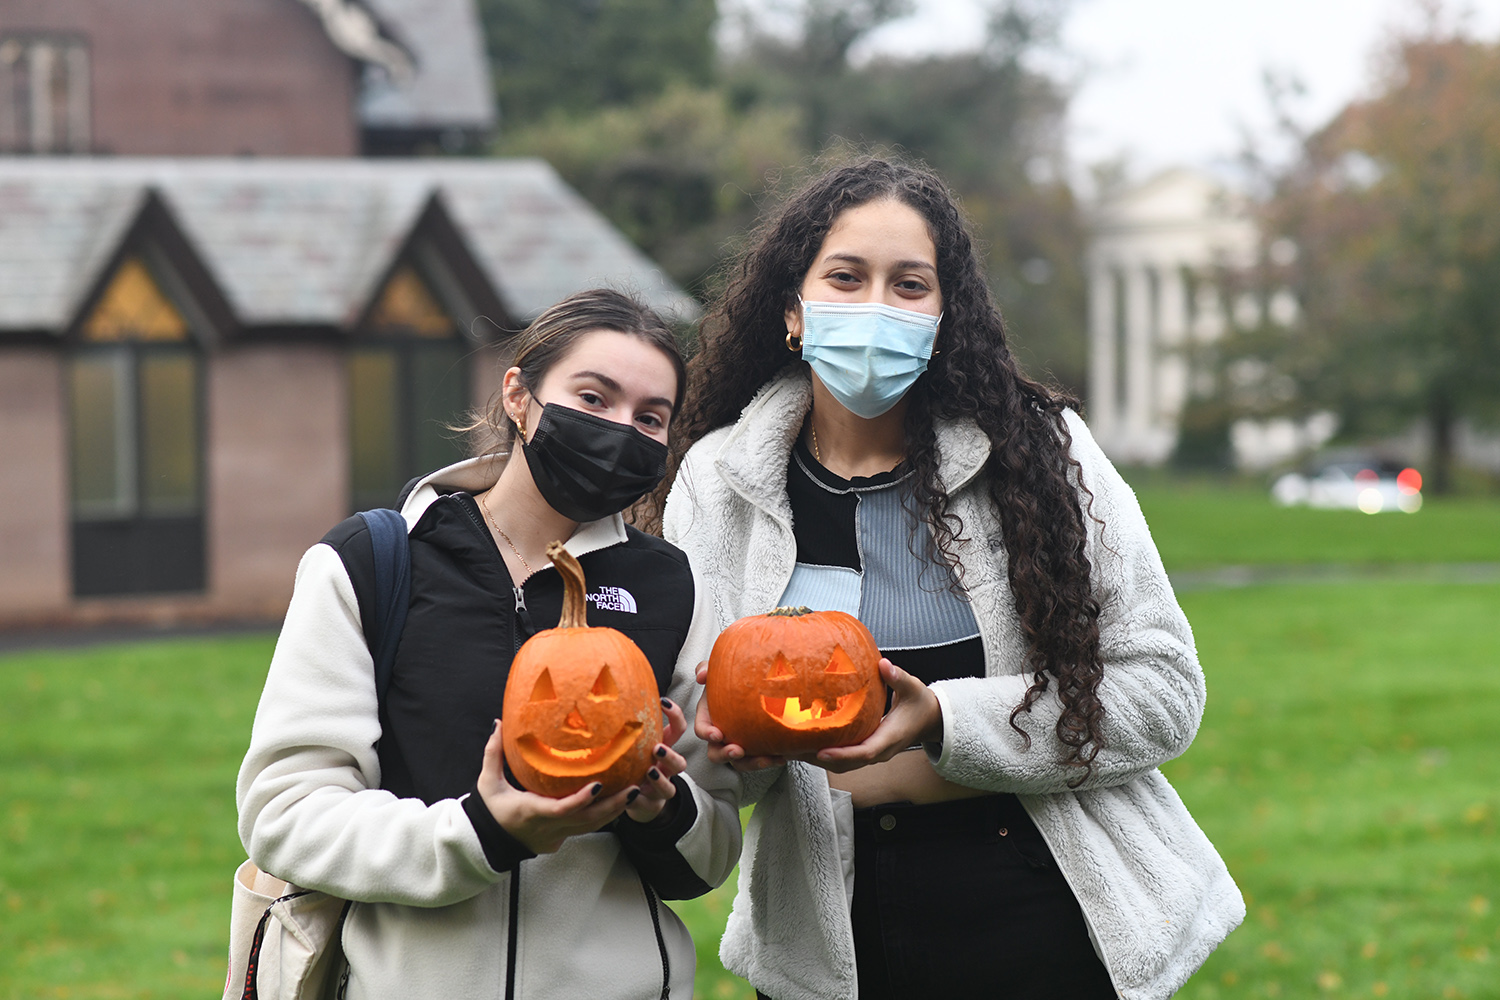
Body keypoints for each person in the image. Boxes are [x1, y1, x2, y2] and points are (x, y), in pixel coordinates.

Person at [657, 158, 1245, 1000]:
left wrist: (943, 719)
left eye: (909, 285)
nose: (875, 307)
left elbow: (1163, 694)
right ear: (793, 311)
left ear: (943, 314)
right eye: (846, 277)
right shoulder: (718, 483)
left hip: (1036, 902)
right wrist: (732, 751)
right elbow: (721, 760)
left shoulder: (1043, 454)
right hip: (831, 936)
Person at [237, 288, 741, 999]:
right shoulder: (374, 562)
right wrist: (482, 834)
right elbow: (285, 816)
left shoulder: (672, 589)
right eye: (594, 398)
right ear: (520, 396)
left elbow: (708, 858)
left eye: (650, 417)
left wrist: (663, 807)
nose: (621, 429)